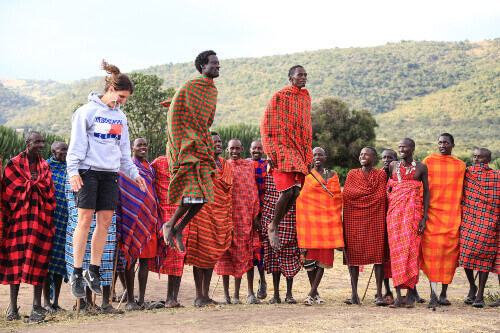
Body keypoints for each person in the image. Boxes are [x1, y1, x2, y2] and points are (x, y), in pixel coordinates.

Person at [66, 60, 146, 299]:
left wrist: (135, 175)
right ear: (110, 89)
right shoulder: (86, 112)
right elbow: (76, 146)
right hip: (87, 171)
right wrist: (73, 172)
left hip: (110, 175)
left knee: (105, 222)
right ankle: (77, 272)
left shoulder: (120, 118)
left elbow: (123, 154)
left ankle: (94, 269)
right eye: (120, 97)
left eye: (125, 99)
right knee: (85, 219)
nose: (122, 102)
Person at [162, 50, 220, 252]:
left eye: (218, 63)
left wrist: (202, 138)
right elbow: (174, 114)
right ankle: (169, 224)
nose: (218, 65)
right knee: (191, 193)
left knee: (204, 195)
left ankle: (179, 228)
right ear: (203, 66)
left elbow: (207, 120)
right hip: (185, 145)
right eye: (214, 63)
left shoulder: (213, 91)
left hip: (201, 144)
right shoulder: (190, 86)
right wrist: (181, 143)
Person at [1, 132, 56, 322]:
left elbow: (48, 190)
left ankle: (37, 305)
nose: (41, 145)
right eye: (37, 142)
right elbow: (9, 191)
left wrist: (32, 183)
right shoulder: (13, 164)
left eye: (42, 142)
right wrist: (33, 183)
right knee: (14, 264)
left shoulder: (45, 165)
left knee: (39, 263)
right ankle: (13, 308)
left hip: (40, 220)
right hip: (18, 221)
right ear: (27, 143)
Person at [260, 65, 312, 251]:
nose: (303, 78)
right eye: (300, 75)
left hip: (299, 150)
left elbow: (307, 128)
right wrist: (269, 151)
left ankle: (275, 223)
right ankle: (273, 226)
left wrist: (308, 154)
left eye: (305, 75)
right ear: (291, 78)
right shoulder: (279, 96)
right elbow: (266, 124)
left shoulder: (305, 98)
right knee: (287, 191)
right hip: (281, 149)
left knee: (296, 193)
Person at [184, 132, 233, 307]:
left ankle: (206, 294)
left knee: (212, 254)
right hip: (202, 213)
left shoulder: (226, 165)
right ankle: (199, 295)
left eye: (219, 141)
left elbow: (228, 189)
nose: (217, 144)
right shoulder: (202, 164)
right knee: (200, 253)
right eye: (213, 142)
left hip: (221, 214)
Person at [65, 178, 124, 315]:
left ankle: (105, 303)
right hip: (82, 219)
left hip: (103, 221)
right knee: (82, 258)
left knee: (106, 256)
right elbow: (73, 207)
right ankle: (84, 303)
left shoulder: (107, 168)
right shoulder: (75, 170)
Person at [116, 138, 163, 310]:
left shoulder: (150, 168)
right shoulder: (126, 167)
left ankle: (141, 299)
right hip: (131, 221)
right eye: (139, 146)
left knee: (144, 262)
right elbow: (123, 193)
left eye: (145, 145)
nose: (143, 148)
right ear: (132, 148)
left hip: (148, 220)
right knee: (130, 260)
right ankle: (129, 300)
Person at [421, 133, 466, 307]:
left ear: (452, 145)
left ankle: (444, 294)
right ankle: (433, 294)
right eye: (440, 142)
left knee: (449, 257)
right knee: (432, 256)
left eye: (446, 143)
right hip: (431, 216)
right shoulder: (428, 161)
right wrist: (422, 215)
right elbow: (422, 188)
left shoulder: (460, 166)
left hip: (452, 217)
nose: (442, 145)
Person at [296, 147, 344, 306]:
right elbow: (301, 199)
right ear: (310, 157)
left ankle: (311, 294)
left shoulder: (332, 176)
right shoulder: (305, 176)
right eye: (314, 155)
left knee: (321, 260)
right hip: (308, 224)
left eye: (320, 155)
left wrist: (335, 223)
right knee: (310, 261)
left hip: (326, 225)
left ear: (325, 157)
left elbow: (337, 200)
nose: (317, 157)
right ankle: (315, 293)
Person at [215, 139, 260, 304]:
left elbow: (253, 190)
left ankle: (243, 294)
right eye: (231, 148)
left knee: (245, 255)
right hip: (227, 218)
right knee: (226, 256)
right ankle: (226, 295)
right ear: (227, 150)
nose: (234, 151)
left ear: (242, 150)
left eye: (237, 148)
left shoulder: (248, 166)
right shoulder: (223, 166)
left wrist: (255, 216)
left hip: (245, 218)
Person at [386, 138, 429, 308]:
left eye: (404, 147)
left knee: (412, 254)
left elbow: (426, 192)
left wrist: (424, 218)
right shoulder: (393, 166)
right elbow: (392, 189)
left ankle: (410, 295)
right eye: (399, 147)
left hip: (413, 216)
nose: (401, 149)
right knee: (396, 255)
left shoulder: (421, 167)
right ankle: (398, 297)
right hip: (395, 216)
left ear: (412, 149)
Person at [342, 147, 388, 305]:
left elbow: (381, 196)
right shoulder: (352, 174)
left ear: (374, 158)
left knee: (379, 258)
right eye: (361, 154)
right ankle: (354, 294)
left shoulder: (380, 174)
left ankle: (379, 294)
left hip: (375, 220)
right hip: (353, 220)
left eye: (366, 154)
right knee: (353, 258)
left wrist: (361, 197)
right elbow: (347, 194)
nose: (362, 156)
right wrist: (367, 197)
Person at [459, 148, 499, 308]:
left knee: (485, 257)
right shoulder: (467, 173)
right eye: (475, 157)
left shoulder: (496, 176)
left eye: (481, 157)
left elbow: (497, 197)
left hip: (489, 221)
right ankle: (472, 287)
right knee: (466, 255)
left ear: (488, 159)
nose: (477, 160)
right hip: (470, 219)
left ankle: (480, 295)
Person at [150, 152, 190, 309]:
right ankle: (168, 298)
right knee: (172, 255)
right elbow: (147, 176)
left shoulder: (186, 163)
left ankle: (172, 297)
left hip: (181, 215)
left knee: (179, 257)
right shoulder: (159, 162)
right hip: (164, 215)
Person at [261, 173, 302, 304]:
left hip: (289, 216)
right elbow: (266, 196)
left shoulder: (292, 174)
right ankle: (276, 294)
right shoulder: (268, 175)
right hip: (271, 215)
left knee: (289, 252)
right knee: (273, 256)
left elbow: (295, 194)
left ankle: (289, 294)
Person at [42, 141, 69, 313]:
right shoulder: (46, 167)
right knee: (47, 262)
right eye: (62, 150)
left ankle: (56, 301)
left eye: (67, 149)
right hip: (48, 220)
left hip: (65, 221)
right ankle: (45, 302)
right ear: (53, 151)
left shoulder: (70, 168)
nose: (65, 152)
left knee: (60, 263)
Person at [246, 139, 268, 300]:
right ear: (250, 150)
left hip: (264, 213)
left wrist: (261, 215)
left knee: (261, 251)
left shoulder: (267, 165)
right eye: (254, 148)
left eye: (259, 149)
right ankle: (250, 291)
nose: (257, 151)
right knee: (249, 252)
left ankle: (263, 281)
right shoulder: (244, 165)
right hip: (246, 214)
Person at [380, 149, 397, 303]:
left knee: (401, 256)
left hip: (399, 219)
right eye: (384, 157)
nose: (386, 160)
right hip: (381, 220)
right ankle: (387, 291)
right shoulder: (377, 175)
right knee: (384, 257)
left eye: (390, 157)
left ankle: (412, 291)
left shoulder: (401, 175)